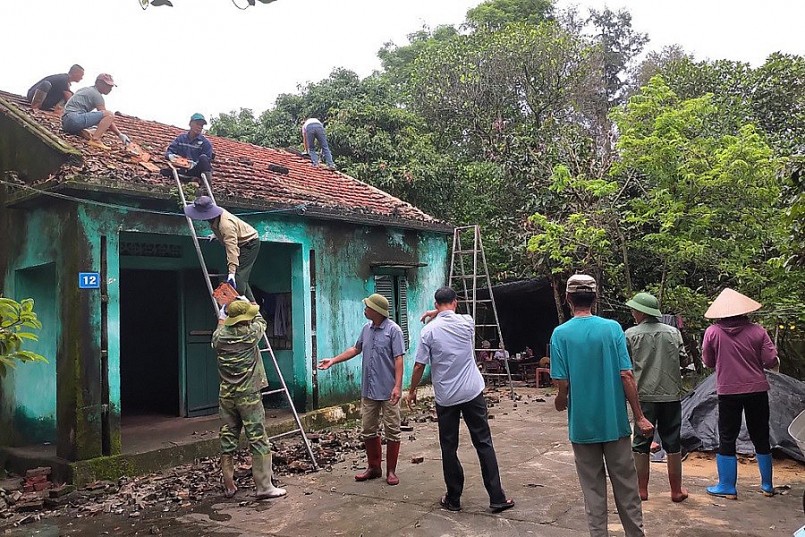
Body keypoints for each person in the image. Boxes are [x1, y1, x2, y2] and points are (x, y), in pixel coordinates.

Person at [550, 274, 653, 537]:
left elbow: (561, 381)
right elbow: (626, 375)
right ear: (595, 298)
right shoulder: (612, 329)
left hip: (582, 427)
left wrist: (561, 399)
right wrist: (639, 416)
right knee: (627, 489)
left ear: (568, 299)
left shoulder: (560, 334)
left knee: (593, 492)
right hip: (614, 423)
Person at [409, 287, 515, 513]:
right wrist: (436, 312)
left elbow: (419, 365)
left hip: (446, 397)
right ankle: (497, 497)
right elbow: (449, 315)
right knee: (483, 442)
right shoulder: (467, 322)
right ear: (455, 302)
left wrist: (412, 390)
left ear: (436, 304)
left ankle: (454, 498)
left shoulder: (428, 332)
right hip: (471, 392)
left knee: (449, 447)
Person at [317, 293, 404, 485]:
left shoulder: (394, 331)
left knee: (392, 430)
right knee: (367, 429)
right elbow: (355, 349)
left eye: (367, 307)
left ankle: (391, 471)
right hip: (369, 389)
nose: (365, 309)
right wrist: (333, 360)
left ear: (377, 311)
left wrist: (398, 386)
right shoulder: (366, 329)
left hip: (389, 390)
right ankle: (374, 468)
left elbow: (399, 359)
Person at [702, 288, 779, 499]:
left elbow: (708, 362)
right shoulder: (758, 331)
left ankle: (727, 486)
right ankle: (767, 485)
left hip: (727, 391)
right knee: (760, 434)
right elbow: (770, 360)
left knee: (727, 436)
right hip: (757, 389)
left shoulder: (712, 332)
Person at [212, 298, 286, 500]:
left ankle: (229, 484)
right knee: (257, 438)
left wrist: (222, 312)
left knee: (228, 437)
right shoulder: (250, 334)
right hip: (249, 396)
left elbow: (220, 324)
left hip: (227, 395)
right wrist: (247, 300)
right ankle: (264, 486)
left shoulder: (219, 338)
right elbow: (261, 319)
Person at [624, 292, 689, 502]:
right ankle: (676, 491)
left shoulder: (630, 334)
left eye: (634, 310)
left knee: (641, 443)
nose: (633, 313)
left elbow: (625, 366)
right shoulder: (673, 333)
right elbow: (682, 358)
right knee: (672, 441)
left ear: (642, 312)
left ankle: (641, 490)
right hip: (671, 395)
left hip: (643, 396)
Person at [183, 196, 260, 303]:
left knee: (238, 278)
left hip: (249, 243)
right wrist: (216, 235)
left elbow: (232, 249)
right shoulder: (215, 219)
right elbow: (222, 230)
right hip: (238, 240)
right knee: (241, 277)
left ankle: (242, 304)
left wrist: (231, 272)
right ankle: (252, 303)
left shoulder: (226, 226)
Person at [61, 73, 130, 150]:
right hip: (74, 119)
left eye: (111, 86)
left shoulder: (84, 89)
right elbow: (107, 118)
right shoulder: (96, 94)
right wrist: (120, 134)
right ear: (98, 83)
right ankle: (95, 140)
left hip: (66, 122)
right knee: (109, 114)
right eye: (107, 85)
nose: (110, 88)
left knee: (98, 127)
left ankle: (84, 132)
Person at [163, 113, 214, 182]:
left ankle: (205, 184)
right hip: (182, 169)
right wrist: (172, 157)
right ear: (190, 124)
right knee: (164, 171)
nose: (199, 127)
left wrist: (193, 164)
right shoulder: (181, 139)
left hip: (195, 170)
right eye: (197, 124)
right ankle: (188, 179)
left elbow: (206, 161)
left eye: (201, 125)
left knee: (203, 158)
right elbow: (169, 152)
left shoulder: (205, 143)